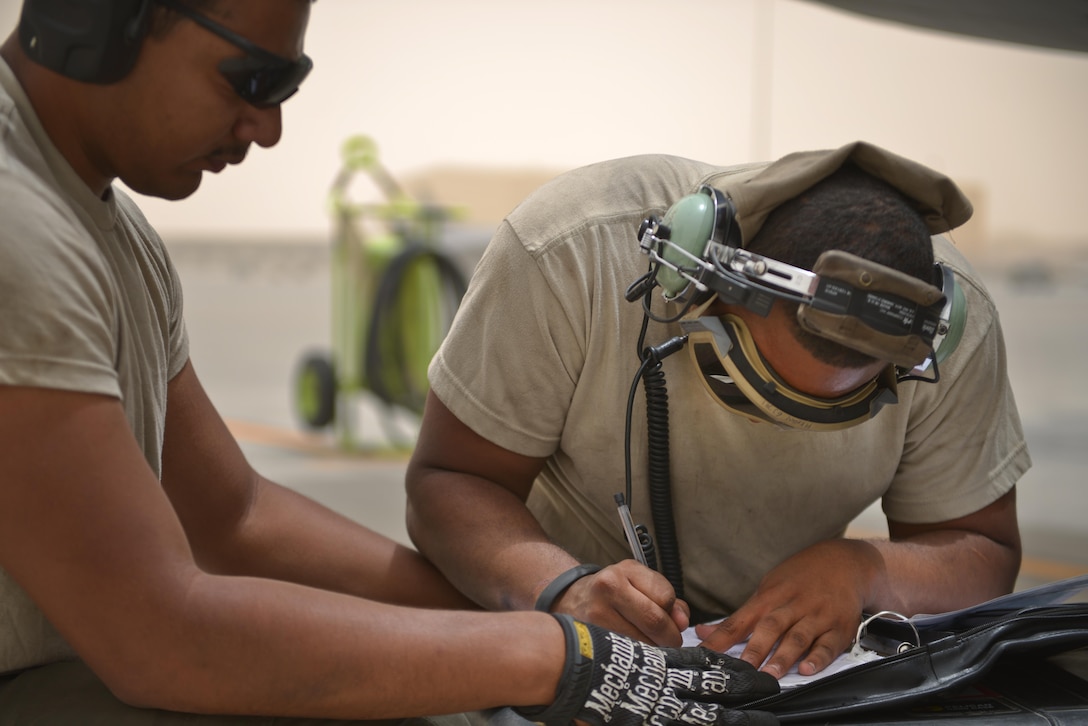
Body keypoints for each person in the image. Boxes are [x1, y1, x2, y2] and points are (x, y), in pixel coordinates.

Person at [0, 1, 782, 723]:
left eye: (287, 88)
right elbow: (158, 639)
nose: (267, 128)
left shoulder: (113, 234)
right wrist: (552, 655)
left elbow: (235, 519)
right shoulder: (19, 234)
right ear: (98, 19)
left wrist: (550, 607)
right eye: (252, 79)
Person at [405, 144, 1030, 682]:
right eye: (754, 387)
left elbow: (983, 548)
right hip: (540, 627)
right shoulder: (571, 253)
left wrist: (862, 571)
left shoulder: (947, 330)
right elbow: (450, 481)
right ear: (694, 281)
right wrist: (561, 589)